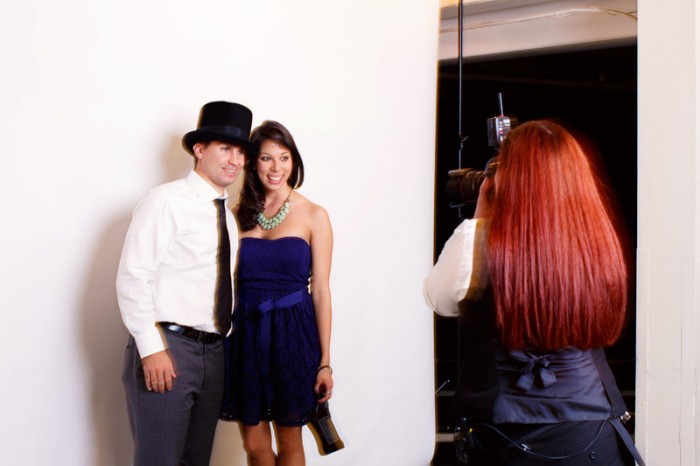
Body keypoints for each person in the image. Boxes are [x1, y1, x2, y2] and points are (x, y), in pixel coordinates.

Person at [424, 120, 638, 465]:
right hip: (593, 431)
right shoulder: (595, 242)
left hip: (510, 438)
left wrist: (480, 217)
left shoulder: (477, 242)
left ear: (508, 181)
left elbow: (440, 300)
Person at [116, 101, 254, 466]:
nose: (235, 160)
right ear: (199, 149)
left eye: (240, 152)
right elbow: (134, 275)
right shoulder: (166, 201)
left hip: (214, 353)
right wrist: (150, 348)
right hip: (169, 347)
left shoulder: (227, 218)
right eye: (225, 148)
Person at [220, 120, 334, 466]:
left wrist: (325, 362)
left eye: (284, 158)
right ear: (253, 162)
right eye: (267, 158)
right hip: (246, 333)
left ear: (294, 161)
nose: (276, 167)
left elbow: (321, 291)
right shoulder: (236, 214)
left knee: (290, 440)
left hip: (294, 335)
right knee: (254, 444)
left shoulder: (314, 215)